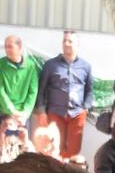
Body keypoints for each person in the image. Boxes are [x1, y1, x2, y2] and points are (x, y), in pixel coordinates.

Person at [35, 30, 93, 159]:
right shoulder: (51, 65)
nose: (66, 43)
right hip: (56, 113)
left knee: (74, 151)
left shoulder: (86, 66)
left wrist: (85, 108)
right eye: (64, 41)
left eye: (70, 41)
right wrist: (42, 112)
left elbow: (89, 91)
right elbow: (42, 90)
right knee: (54, 149)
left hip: (77, 114)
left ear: (77, 45)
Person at [0, 34, 40, 130]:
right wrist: (12, 111)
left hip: (23, 114)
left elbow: (33, 91)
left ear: (20, 47)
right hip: (3, 111)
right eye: (5, 47)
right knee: (2, 144)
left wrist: (25, 113)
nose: (7, 50)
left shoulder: (31, 66)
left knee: (23, 143)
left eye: (10, 47)